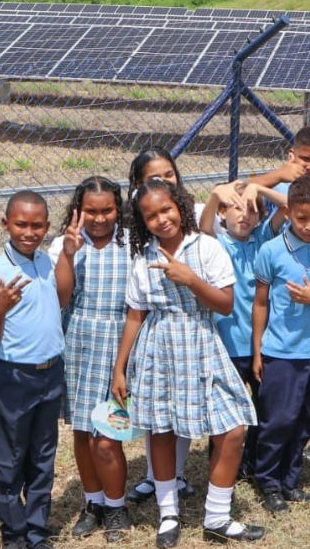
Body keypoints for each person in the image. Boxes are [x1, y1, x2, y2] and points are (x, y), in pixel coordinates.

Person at [111, 179, 265, 547]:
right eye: (151, 216)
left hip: (202, 342)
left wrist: (191, 279)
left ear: (180, 206)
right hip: (160, 347)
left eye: (166, 209)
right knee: (162, 430)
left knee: (233, 429)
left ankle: (217, 517)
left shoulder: (207, 247)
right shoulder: (143, 257)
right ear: (142, 222)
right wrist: (120, 368)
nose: (161, 219)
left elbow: (225, 305)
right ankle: (168, 513)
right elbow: (135, 314)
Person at [251, 174, 310, 514]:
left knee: (308, 419)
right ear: (287, 212)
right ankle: (268, 481)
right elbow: (260, 302)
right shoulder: (271, 251)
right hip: (281, 353)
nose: (309, 226)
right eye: (302, 218)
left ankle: (291, 480)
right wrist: (258, 350)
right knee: (278, 420)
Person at [50, 176, 133, 542]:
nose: (99, 219)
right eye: (91, 211)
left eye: (107, 211)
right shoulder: (65, 244)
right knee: (83, 432)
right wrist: (69, 253)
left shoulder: (132, 244)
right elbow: (61, 298)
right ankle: (93, 502)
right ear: (78, 210)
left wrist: (125, 363)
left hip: (118, 342)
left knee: (108, 435)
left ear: (119, 209)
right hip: (78, 340)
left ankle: (116, 506)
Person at [0, 191, 65, 549]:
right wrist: (0, 309)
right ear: (6, 224)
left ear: (47, 227)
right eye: (21, 224)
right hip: (14, 376)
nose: (29, 232)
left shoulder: (46, 262)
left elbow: (61, 299)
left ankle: (36, 531)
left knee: (43, 455)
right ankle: (14, 533)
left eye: (37, 225)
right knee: (10, 459)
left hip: (50, 373)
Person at [122, 147, 198, 504]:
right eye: (153, 178)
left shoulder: (189, 222)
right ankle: (156, 476)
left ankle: (175, 474)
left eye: (169, 174)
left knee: (181, 406)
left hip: (185, 326)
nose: (164, 181)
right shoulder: (137, 227)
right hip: (141, 322)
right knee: (154, 408)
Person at [200, 179, 287, 482]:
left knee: (265, 408)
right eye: (236, 208)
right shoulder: (216, 244)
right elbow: (203, 226)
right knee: (225, 412)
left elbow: (288, 207)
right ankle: (224, 468)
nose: (245, 215)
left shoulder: (263, 239)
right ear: (222, 214)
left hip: (263, 344)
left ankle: (253, 462)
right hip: (228, 344)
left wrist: (257, 189)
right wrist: (215, 196)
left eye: (251, 210)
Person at [251, 126, 310, 227]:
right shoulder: (276, 185)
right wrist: (278, 175)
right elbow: (239, 191)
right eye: (305, 159)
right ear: (291, 155)